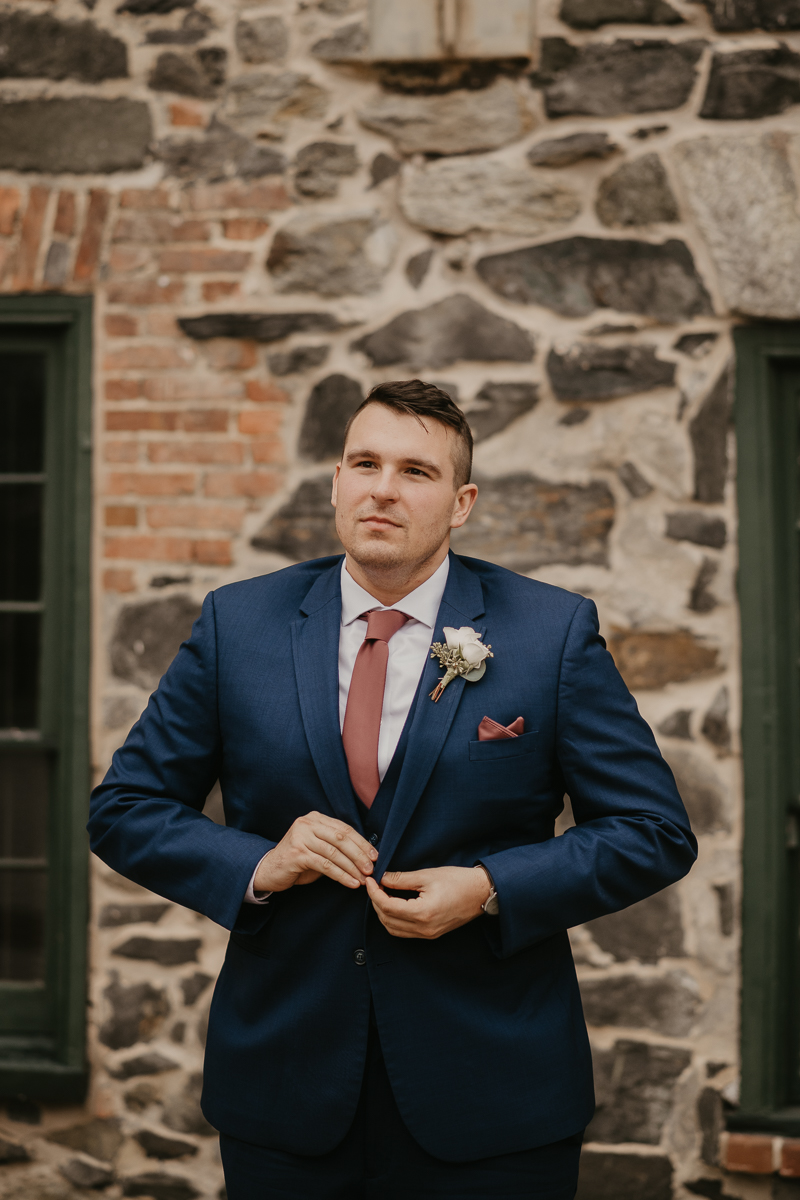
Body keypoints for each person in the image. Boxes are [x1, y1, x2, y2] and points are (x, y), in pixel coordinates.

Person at [88, 380, 696, 1199]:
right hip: (288, 1088)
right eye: (364, 463)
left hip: (492, 1094)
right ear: (335, 482)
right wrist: (260, 865)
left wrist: (488, 888)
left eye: (415, 471)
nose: (382, 487)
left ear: (461, 502)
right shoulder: (240, 625)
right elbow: (123, 809)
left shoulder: (549, 634)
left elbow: (653, 828)